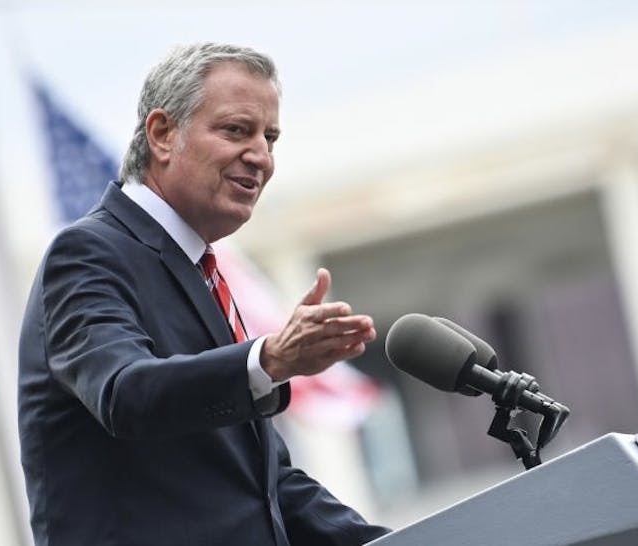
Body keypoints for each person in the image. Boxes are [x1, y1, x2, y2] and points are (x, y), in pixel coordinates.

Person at [19, 42, 391, 546]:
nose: (260, 155)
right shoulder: (87, 253)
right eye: (237, 130)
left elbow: (267, 491)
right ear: (163, 134)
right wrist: (269, 358)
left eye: (271, 138)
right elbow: (126, 394)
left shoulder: (198, 273)